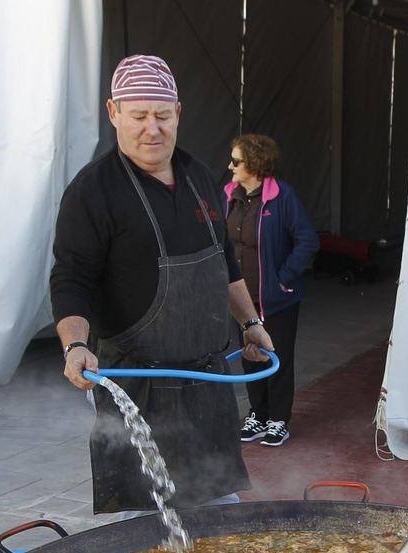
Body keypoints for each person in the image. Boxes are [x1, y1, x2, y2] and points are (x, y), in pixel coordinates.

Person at [51, 55, 275, 516]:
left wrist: (250, 321)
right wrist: (75, 345)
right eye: (138, 116)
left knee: (221, 512)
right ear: (114, 113)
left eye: (162, 115)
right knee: (151, 530)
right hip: (141, 388)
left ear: (179, 114)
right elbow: (71, 277)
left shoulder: (200, 179)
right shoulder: (92, 192)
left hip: (208, 383)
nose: (151, 128)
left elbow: (225, 262)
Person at [224, 134, 317, 448]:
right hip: (242, 299)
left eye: (236, 161)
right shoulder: (229, 196)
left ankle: (279, 419)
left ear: (255, 163)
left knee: (276, 356)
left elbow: (307, 241)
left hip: (276, 298)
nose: (230, 166)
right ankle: (258, 415)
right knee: (251, 356)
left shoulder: (283, 197)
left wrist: (282, 278)